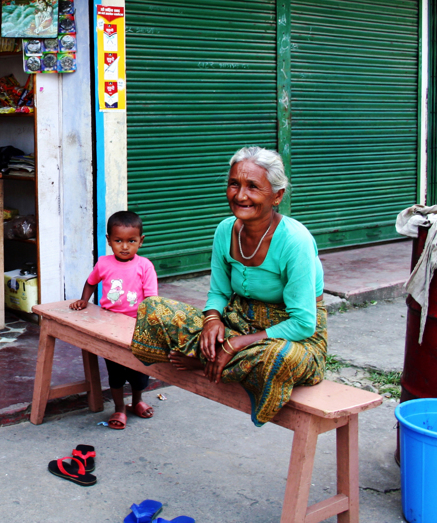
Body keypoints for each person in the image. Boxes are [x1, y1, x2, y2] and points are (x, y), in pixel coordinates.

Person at [131, 146, 327, 426]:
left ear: (278, 196)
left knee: (279, 358)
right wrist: (212, 320)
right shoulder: (225, 230)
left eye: (253, 187)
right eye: (234, 184)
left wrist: (234, 344)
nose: (240, 195)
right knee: (153, 309)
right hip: (239, 322)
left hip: (293, 338)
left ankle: (205, 359)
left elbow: (304, 324)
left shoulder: (295, 241)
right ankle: (216, 357)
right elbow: (220, 292)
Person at [71, 211, 159, 429]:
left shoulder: (144, 266)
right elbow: (91, 281)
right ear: (109, 240)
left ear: (141, 241)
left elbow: (151, 299)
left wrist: (148, 325)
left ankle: (137, 401)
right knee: (116, 373)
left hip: (136, 328)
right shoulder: (104, 263)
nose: (125, 246)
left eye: (131, 241)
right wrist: (84, 300)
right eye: (118, 241)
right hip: (109, 327)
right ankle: (119, 408)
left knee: (139, 372)